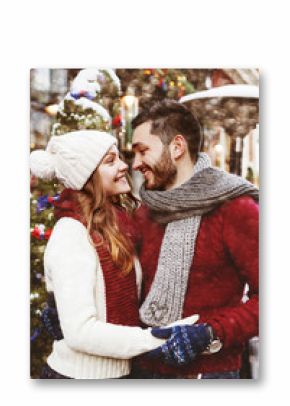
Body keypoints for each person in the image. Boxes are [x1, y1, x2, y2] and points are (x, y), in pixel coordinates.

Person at [30, 130, 197, 379]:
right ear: (86, 176)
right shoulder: (72, 233)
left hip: (120, 374)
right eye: (110, 161)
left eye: (119, 157)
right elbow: (80, 332)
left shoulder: (117, 225)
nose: (123, 166)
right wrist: (153, 339)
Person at [130, 99, 259, 379]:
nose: (136, 163)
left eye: (143, 151)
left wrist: (210, 332)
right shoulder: (144, 212)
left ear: (177, 147)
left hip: (209, 374)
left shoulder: (235, 209)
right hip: (143, 369)